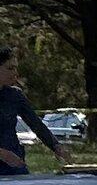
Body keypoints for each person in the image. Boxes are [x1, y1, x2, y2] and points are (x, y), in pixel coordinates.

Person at [0, 47, 64, 177]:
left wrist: (56, 146)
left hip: (15, 165)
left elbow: (36, 124)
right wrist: (2, 154)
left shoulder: (15, 95)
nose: (15, 73)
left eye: (16, 68)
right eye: (10, 68)